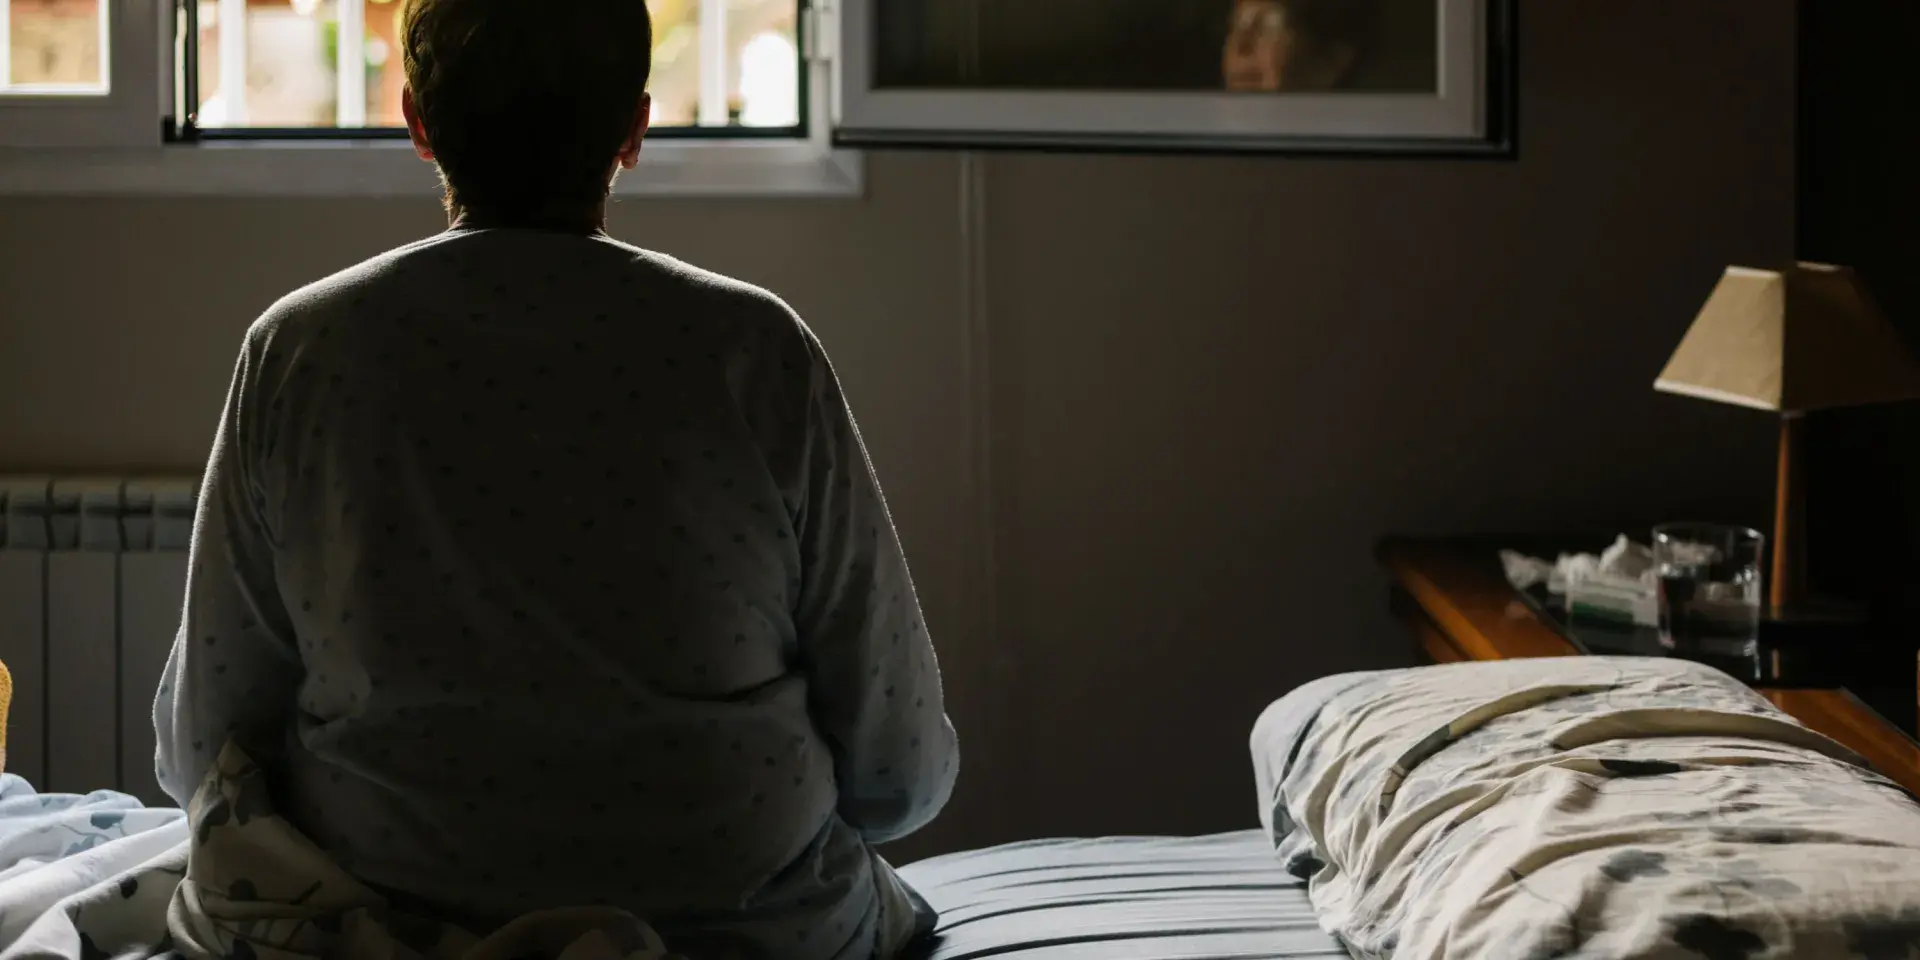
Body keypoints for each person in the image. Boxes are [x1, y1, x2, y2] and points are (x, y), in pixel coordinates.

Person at [150, 0, 958, 956]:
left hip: (385, 923)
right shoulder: (757, 353)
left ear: (416, 121)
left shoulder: (299, 351)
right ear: (634, 131)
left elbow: (204, 750)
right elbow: (898, 774)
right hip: (747, 929)